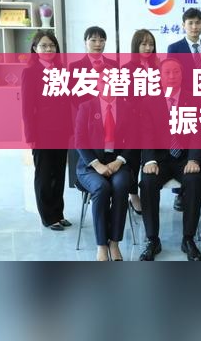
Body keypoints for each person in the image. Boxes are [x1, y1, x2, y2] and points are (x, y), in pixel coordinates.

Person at [138, 58, 201, 261]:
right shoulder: (149, 100)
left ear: (182, 75)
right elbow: (146, 134)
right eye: (167, 72)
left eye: (176, 72)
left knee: (195, 180)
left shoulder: (194, 99)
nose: (172, 76)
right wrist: (149, 161)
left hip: (185, 158)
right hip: (159, 159)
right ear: (159, 76)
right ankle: (152, 240)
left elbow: (198, 133)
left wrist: (194, 159)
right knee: (147, 182)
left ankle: (188, 239)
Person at [75, 78, 138, 261]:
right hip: (90, 164)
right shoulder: (86, 107)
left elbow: (133, 139)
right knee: (101, 187)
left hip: (118, 162)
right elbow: (79, 141)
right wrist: (97, 165)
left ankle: (114, 243)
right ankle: (101, 245)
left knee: (121, 185)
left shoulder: (127, 107)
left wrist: (119, 161)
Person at [167, 8, 201, 212]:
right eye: (190, 23)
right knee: (184, 143)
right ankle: (180, 193)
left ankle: (197, 189)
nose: (194, 26)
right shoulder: (175, 48)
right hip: (185, 105)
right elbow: (172, 78)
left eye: (198, 23)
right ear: (183, 25)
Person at [21, 30, 71, 231]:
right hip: (41, 133)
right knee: (44, 175)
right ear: (35, 49)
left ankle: (59, 213)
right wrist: (30, 135)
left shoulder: (61, 70)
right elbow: (26, 108)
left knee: (59, 173)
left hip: (62, 131)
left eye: (52, 45)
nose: (48, 49)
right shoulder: (30, 72)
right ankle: (48, 217)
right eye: (44, 45)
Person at [68, 26, 118, 190]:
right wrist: (92, 110)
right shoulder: (75, 66)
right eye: (93, 40)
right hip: (88, 120)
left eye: (102, 40)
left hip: (110, 118)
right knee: (86, 154)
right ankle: (88, 183)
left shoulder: (113, 64)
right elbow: (73, 95)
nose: (98, 44)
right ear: (85, 42)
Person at [122, 29, 159, 215]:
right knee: (133, 159)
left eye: (151, 44)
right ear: (136, 46)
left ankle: (147, 193)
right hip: (134, 121)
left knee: (151, 157)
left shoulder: (158, 67)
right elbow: (125, 97)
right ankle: (133, 195)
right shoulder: (127, 68)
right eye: (144, 44)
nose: (147, 47)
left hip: (154, 121)